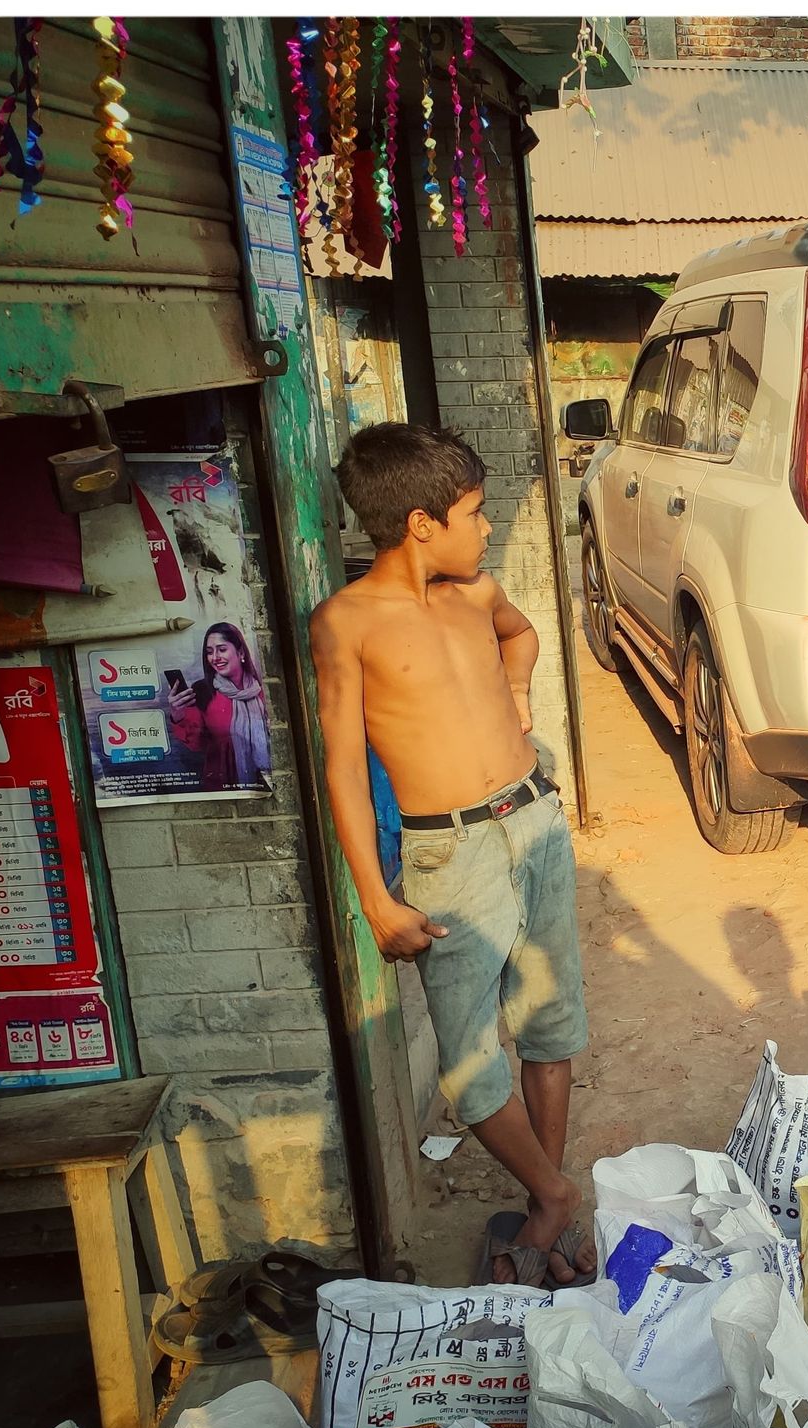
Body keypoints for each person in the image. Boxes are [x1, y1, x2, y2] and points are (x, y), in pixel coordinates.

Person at [313, 422, 595, 1289]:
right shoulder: (346, 624)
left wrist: (517, 696)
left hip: (533, 821)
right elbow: (344, 772)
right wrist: (374, 894)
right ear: (419, 524)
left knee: (549, 1028)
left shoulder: (475, 592)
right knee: (470, 1066)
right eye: (473, 513)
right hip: (450, 853)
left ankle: (544, 1216)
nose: (484, 530)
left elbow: (523, 637)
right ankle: (555, 1195)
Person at [166, 621, 271, 792]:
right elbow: (196, 744)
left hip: (267, 783)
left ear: (240, 652)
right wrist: (178, 715)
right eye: (209, 652)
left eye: (222, 649)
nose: (215, 658)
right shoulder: (202, 691)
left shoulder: (263, 688)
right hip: (223, 788)